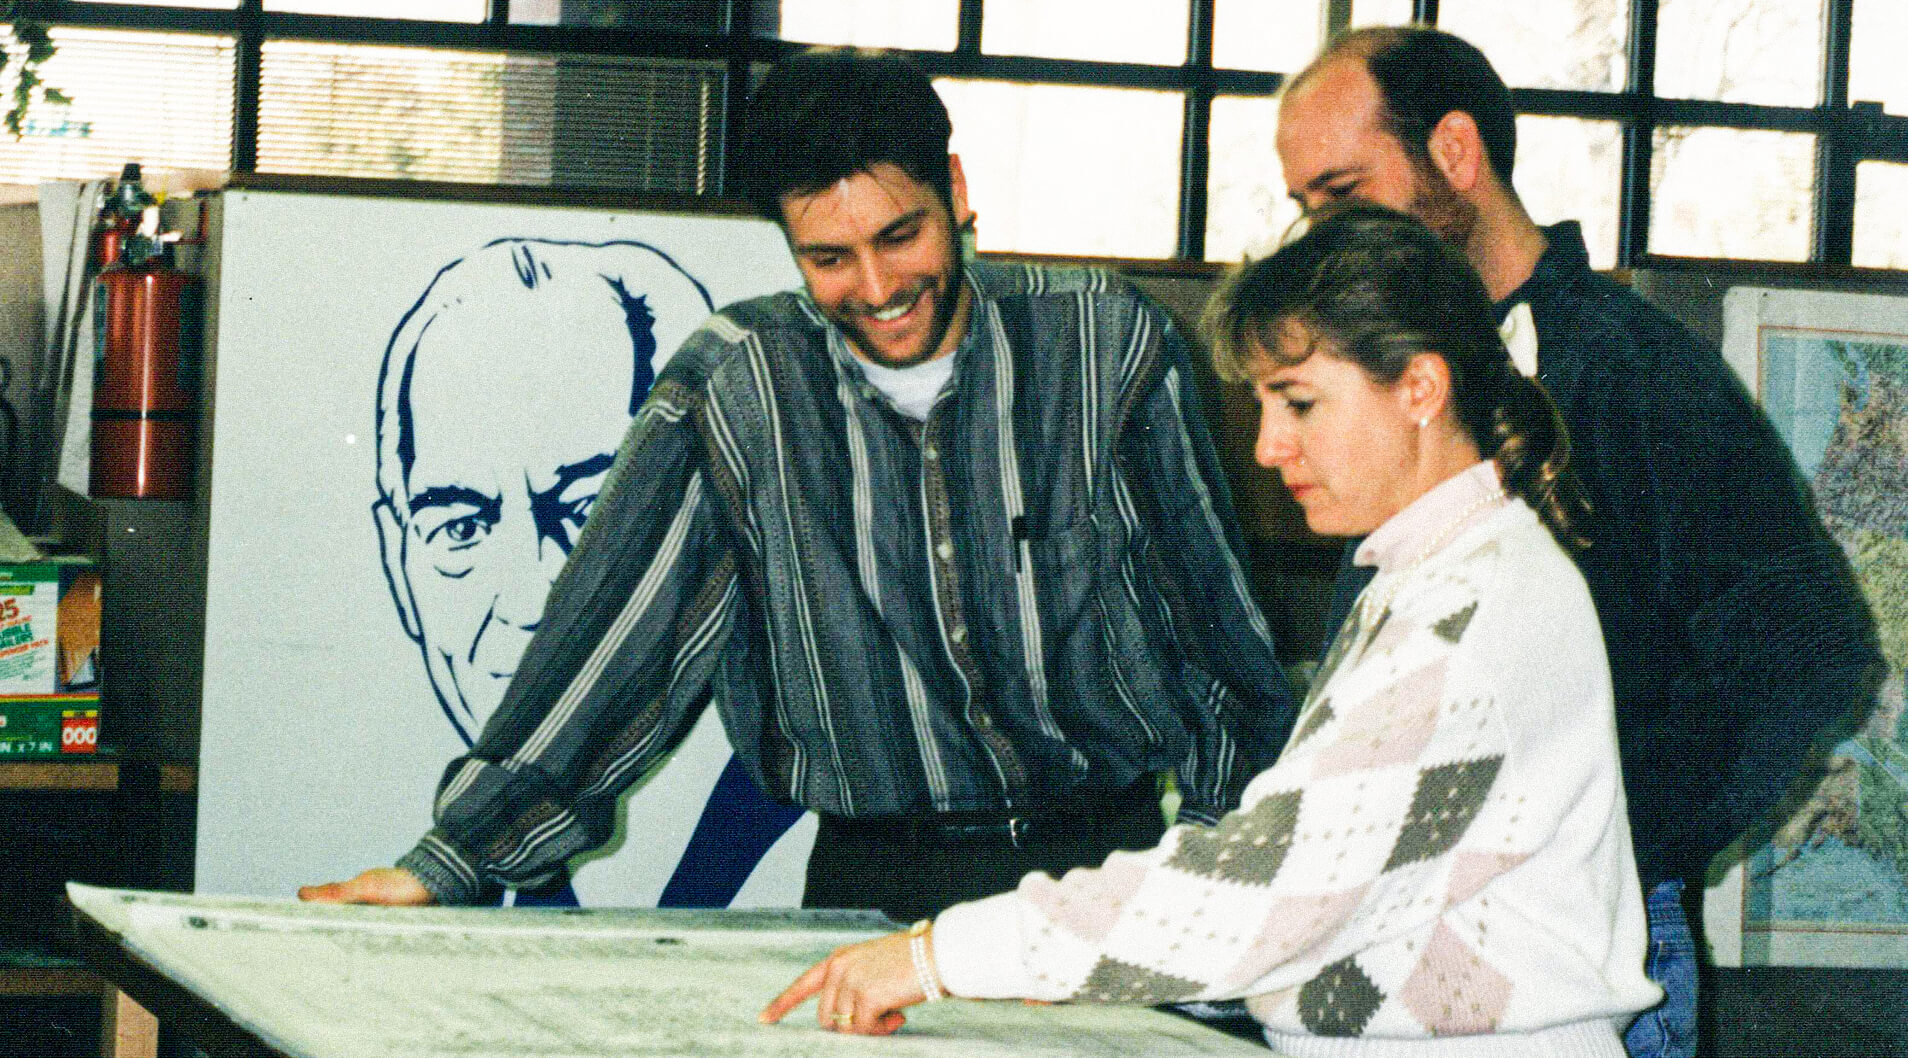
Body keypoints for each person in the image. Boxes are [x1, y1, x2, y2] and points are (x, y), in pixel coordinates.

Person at [303, 48, 1295, 921]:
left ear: (953, 188)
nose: (874, 285)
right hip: (877, 885)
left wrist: (1204, 878)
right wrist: (452, 860)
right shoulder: (739, 388)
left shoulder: (1105, 344)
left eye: (900, 235)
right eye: (828, 256)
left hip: (1103, 868)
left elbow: (1221, 642)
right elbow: (617, 643)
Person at [763, 204, 1662, 1058]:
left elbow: (1263, 896)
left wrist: (937, 956)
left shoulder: (1475, 615)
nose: (1269, 446)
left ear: (1421, 386)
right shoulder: (1436, 577)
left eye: (1299, 403)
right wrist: (1079, 957)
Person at [1271, 26, 1883, 1058]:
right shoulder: (1401, 373)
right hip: (1418, 963)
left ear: (1454, 153)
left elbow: (1813, 652)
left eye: (1341, 194)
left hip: (1588, 965)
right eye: (1304, 209)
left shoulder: (1633, 372)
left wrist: (1613, 843)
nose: (1318, 239)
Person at [370, 237, 803, 908]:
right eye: (460, 527)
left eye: (590, 515)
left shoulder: (838, 839)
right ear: (401, 568)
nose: (530, 599)